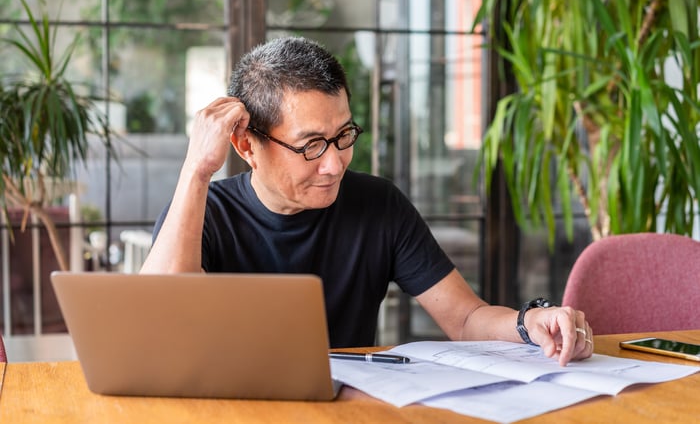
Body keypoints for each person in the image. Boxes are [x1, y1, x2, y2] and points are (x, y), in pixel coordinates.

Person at [140, 36, 593, 366]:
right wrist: (197, 169)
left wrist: (528, 322)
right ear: (247, 146)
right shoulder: (202, 211)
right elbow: (157, 323)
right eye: (311, 145)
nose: (335, 164)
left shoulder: (378, 205)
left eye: (343, 136)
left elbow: (466, 317)